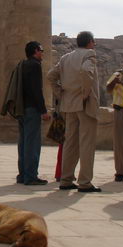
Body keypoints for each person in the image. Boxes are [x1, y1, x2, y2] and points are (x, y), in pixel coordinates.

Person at [48, 31, 101, 192]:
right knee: (86, 143)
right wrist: (85, 93)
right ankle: (85, 182)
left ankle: (66, 179)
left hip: (69, 104)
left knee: (70, 142)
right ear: (90, 42)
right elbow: (86, 72)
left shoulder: (66, 58)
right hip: (84, 104)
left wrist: (60, 93)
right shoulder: (89, 55)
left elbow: (51, 76)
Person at [2, 41, 50, 185]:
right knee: (32, 143)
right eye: (41, 50)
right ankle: (30, 176)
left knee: (23, 142)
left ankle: (22, 174)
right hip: (31, 109)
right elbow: (36, 90)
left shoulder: (22, 65)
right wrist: (43, 110)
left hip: (21, 108)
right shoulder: (35, 65)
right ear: (35, 51)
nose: (43, 53)